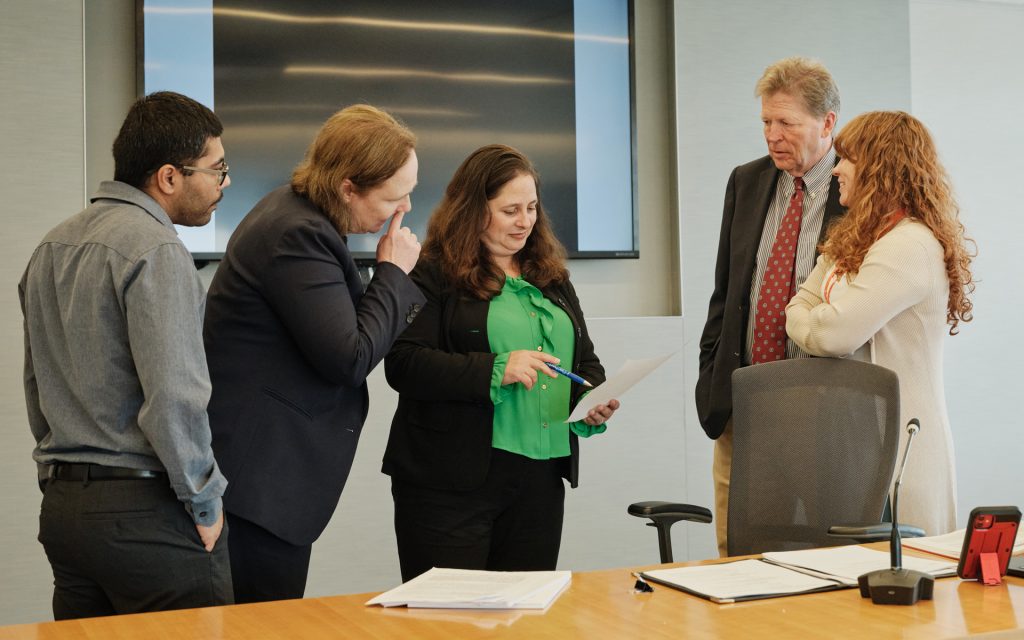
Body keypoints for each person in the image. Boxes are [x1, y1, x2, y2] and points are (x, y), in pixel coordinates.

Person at [19, 91, 232, 619]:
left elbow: (35, 384)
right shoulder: (156, 249)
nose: (223, 183)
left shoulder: (52, 246)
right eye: (216, 168)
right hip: (146, 515)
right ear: (168, 177)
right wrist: (204, 502)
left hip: (67, 510)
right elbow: (174, 397)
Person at [203, 104, 426, 603]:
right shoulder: (298, 233)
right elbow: (349, 357)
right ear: (349, 187)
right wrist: (392, 273)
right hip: (257, 486)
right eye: (396, 196)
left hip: (262, 481)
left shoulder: (302, 217)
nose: (404, 209)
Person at [382, 144, 620, 582]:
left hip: (539, 482)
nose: (525, 221)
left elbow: (585, 360)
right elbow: (403, 363)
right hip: (451, 481)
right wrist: (496, 368)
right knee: (450, 624)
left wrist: (591, 399)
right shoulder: (432, 272)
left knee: (525, 618)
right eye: (510, 210)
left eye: (531, 207)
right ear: (473, 210)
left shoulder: (551, 276)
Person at [786, 111, 974, 536]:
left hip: (899, 450)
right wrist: (813, 318)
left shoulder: (908, 245)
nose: (835, 169)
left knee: (902, 584)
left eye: (847, 158)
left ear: (879, 166)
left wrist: (812, 320)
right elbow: (799, 304)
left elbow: (833, 335)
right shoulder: (859, 238)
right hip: (857, 442)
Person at [694, 57, 846, 556]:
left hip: (821, 404)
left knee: (826, 553)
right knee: (737, 553)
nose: (772, 135)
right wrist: (710, 371)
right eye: (766, 122)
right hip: (744, 399)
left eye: (787, 123)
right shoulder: (747, 180)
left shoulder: (857, 187)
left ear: (826, 123)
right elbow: (727, 291)